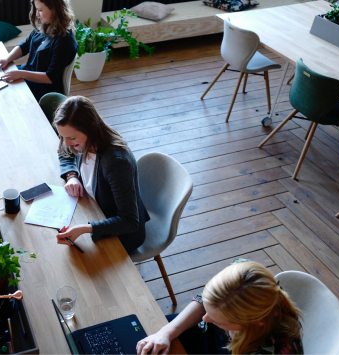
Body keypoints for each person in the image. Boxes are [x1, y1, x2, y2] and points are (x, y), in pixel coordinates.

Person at [136, 260, 303, 355]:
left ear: (251, 323)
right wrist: (166, 333)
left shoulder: (269, 351)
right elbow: (204, 302)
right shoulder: (241, 272)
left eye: (217, 320)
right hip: (205, 340)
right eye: (208, 310)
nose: (205, 318)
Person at [54, 96, 150, 253]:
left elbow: (129, 221)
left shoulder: (116, 162)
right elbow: (64, 151)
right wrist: (72, 176)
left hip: (121, 234)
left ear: (91, 127)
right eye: (63, 136)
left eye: (72, 137)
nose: (66, 143)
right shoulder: (83, 140)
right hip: (94, 210)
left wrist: (86, 229)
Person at [0, 0, 78, 101]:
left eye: (40, 10)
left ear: (54, 9)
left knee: (5, 92)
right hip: (29, 74)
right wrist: (7, 59)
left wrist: (20, 74)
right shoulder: (44, 25)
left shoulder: (65, 40)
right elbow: (24, 46)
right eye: (36, 9)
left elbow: (50, 77)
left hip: (44, 89)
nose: (37, 14)